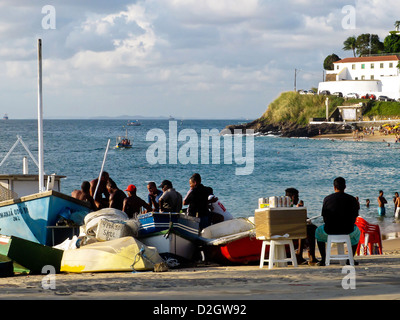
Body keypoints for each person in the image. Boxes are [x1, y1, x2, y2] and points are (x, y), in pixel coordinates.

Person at [315, 177, 360, 266]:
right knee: (357, 233)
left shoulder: (327, 199)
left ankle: (324, 259)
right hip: (348, 230)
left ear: (334, 187)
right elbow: (355, 218)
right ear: (345, 187)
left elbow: (324, 217)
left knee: (318, 232)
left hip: (330, 230)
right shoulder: (352, 199)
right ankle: (350, 258)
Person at [285, 188, 319, 265]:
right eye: (297, 197)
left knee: (309, 228)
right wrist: (299, 211)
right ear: (293, 197)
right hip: (290, 233)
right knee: (309, 229)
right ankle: (309, 256)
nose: (298, 199)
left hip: (287, 231)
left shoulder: (285, 206)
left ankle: (308, 255)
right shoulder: (289, 208)